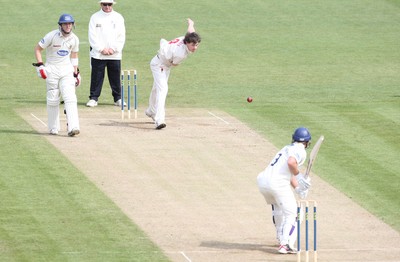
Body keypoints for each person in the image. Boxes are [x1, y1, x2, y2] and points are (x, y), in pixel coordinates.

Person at [257, 127, 312, 254]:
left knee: (277, 206)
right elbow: (291, 163)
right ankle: (285, 244)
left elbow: (288, 172)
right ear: (307, 142)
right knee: (295, 213)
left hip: (263, 181)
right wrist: (300, 177)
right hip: (277, 184)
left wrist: (298, 187)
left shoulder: (286, 148)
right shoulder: (300, 151)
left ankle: (280, 237)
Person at [145, 18, 201, 129]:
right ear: (187, 42)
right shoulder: (181, 54)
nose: (195, 48)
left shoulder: (188, 37)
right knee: (163, 89)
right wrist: (173, 63)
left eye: (197, 45)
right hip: (159, 65)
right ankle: (159, 119)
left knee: (157, 88)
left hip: (163, 64)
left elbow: (190, 30)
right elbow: (174, 64)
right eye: (193, 45)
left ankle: (151, 111)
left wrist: (191, 23)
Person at [33, 13, 81, 137]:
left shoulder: (74, 39)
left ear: (73, 24)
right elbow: (38, 49)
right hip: (52, 69)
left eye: (70, 24)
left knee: (70, 97)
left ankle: (73, 126)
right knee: (53, 98)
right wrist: (40, 65)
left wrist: (76, 73)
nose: (68, 26)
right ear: (60, 25)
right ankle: (53, 128)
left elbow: (74, 56)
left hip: (66, 70)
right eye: (65, 24)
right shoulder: (52, 36)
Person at [86, 0, 126, 107]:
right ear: (101, 5)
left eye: (109, 4)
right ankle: (94, 98)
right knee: (96, 76)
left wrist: (113, 49)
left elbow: (121, 36)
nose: (107, 6)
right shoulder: (95, 17)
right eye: (105, 4)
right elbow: (92, 36)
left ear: (112, 5)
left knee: (115, 76)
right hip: (98, 54)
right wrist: (101, 49)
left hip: (114, 54)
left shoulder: (118, 17)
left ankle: (118, 98)